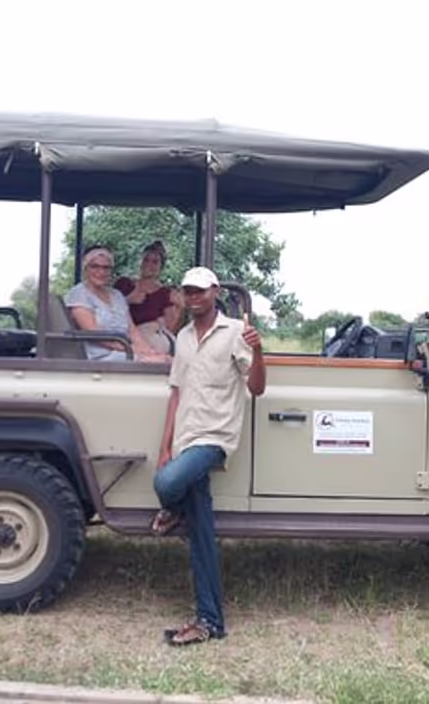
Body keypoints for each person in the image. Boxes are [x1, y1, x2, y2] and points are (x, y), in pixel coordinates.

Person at [151, 266, 266, 646]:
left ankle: (174, 507)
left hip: (214, 439)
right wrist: (165, 447)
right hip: (185, 441)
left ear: (215, 291)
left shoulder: (236, 332)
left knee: (167, 483)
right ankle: (210, 621)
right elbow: (176, 394)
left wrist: (259, 349)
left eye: (200, 291)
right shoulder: (182, 337)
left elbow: (258, 388)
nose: (194, 297)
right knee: (202, 537)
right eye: (188, 291)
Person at [65, 246, 168, 363]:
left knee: (167, 359)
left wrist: (148, 350)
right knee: (158, 362)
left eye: (106, 268)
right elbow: (95, 335)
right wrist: (132, 349)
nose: (101, 272)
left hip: (125, 351)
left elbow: (132, 330)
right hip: (99, 356)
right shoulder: (79, 294)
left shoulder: (117, 295)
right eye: (95, 266)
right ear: (85, 268)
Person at [114, 240, 184, 354]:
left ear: (161, 267)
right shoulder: (124, 284)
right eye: (146, 260)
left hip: (152, 337)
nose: (149, 265)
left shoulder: (165, 293)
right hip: (124, 337)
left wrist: (180, 308)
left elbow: (170, 329)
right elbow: (108, 309)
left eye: (155, 262)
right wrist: (128, 300)